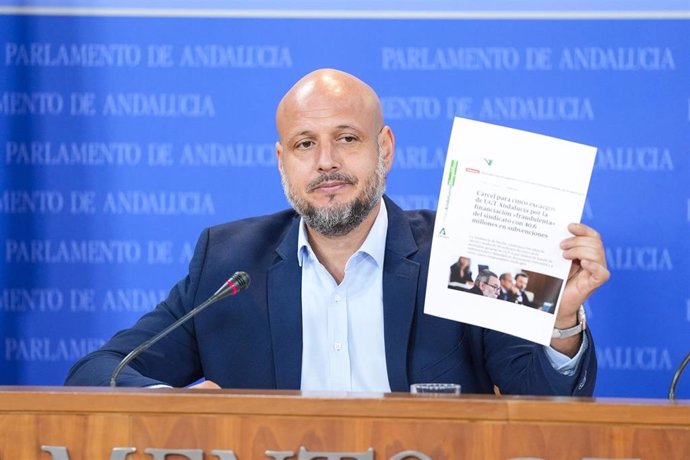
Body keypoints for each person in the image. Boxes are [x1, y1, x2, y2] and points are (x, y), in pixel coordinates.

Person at [65, 68, 610, 396]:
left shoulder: (460, 248)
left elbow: (544, 399)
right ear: (283, 162)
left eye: (347, 138)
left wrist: (561, 322)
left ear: (385, 149)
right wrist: (172, 403)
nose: (326, 162)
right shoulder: (229, 265)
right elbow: (97, 371)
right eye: (305, 144)